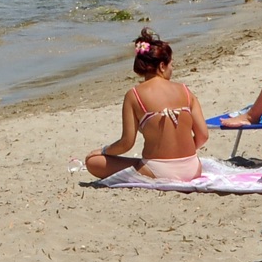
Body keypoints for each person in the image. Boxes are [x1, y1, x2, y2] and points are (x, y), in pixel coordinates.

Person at [83, 29, 209, 181]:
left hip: (159, 170)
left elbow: (127, 143)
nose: (171, 69)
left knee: (93, 162)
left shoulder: (134, 95)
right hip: (193, 168)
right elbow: (203, 135)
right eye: (171, 65)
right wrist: (181, 156)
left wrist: (104, 151)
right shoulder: (185, 91)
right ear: (162, 66)